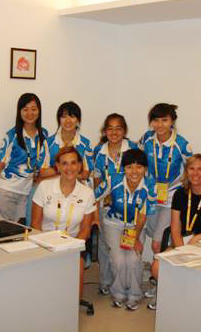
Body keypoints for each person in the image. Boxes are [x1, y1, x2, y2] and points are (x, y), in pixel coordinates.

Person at [147, 153, 201, 310]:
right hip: (183, 244)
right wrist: (181, 249)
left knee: (196, 273)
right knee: (156, 267)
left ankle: (189, 303)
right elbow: (175, 227)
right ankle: (171, 296)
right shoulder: (180, 194)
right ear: (186, 172)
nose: (195, 173)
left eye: (200, 169)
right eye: (191, 168)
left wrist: (200, 237)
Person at [95, 149, 157, 311]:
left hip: (135, 226)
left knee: (134, 259)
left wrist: (135, 238)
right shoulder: (113, 179)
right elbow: (94, 197)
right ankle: (118, 293)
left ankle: (135, 295)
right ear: (123, 168)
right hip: (113, 224)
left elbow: (143, 215)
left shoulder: (150, 185)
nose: (134, 172)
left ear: (145, 169)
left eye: (139, 167)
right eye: (129, 167)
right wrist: (96, 219)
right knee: (118, 259)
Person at [32, 146, 96, 299]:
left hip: (73, 244)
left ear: (80, 166)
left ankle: (69, 310)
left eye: (74, 163)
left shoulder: (87, 193)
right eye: (64, 163)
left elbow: (85, 230)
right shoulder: (44, 187)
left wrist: (71, 248)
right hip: (44, 243)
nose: (69, 168)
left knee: (76, 275)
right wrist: (46, 246)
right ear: (58, 166)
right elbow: (35, 224)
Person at [139, 103, 193, 254]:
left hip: (171, 198)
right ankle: (154, 270)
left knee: (158, 243)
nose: (160, 125)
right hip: (151, 195)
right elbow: (137, 160)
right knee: (147, 234)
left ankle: (160, 275)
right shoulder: (146, 138)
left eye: (164, 120)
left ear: (172, 122)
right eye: (156, 120)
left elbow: (192, 169)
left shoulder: (182, 144)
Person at [93, 113, 138, 295]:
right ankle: (106, 281)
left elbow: (140, 175)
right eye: (110, 128)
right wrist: (102, 198)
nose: (114, 132)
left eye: (118, 128)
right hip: (106, 205)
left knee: (128, 245)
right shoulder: (98, 151)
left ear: (124, 131)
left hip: (129, 206)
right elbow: (96, 177)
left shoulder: (133, 149)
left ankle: (126, 284)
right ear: (104, 131)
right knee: (105, 245)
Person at [0, 93, 49, 222]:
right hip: (7, 192)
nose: (30, 113)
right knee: (5, 233)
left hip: (28, 194)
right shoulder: (12, 136)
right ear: (19, 112)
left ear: (39, 111)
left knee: (22, 234)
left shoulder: (44, 134)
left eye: (34, 109)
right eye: (25, 109)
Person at [44, 101, 93, 184]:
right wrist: (71, 171)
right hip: (53, 188)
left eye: (72, 116)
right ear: (59, 119)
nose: (68, 120)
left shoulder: (86, 144)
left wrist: (59, 173)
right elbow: (43, 172)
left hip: (79, 187)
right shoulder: (48, 143)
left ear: (78, 120)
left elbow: (86, 173)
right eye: (64, 117)